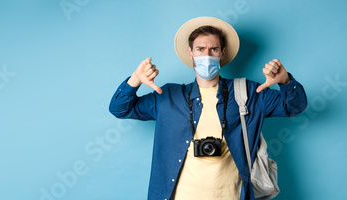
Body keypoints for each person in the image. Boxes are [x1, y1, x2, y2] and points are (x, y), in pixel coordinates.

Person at [108, 17, 307, 200]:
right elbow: (120, 109)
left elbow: (294, 106)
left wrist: (285, 81)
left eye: (213, 49)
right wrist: (135, 79)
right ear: (190, 53)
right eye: (200, 49)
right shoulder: (168, 96)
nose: (207, 55)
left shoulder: (247, 93)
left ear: (222, 52)